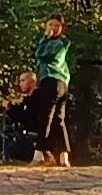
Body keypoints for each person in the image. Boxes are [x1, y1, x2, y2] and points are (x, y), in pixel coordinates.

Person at [27, 15, 76, 166]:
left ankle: (39, 154)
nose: (52, 28)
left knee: (46, 116)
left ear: (61, 28)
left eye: (56, 25)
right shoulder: (60, 43)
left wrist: (44, 39)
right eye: (50, 25)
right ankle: (63, 155)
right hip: (61, 84)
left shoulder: (59, 44)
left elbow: (40, 54)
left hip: (52, 81)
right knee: (58, 119)